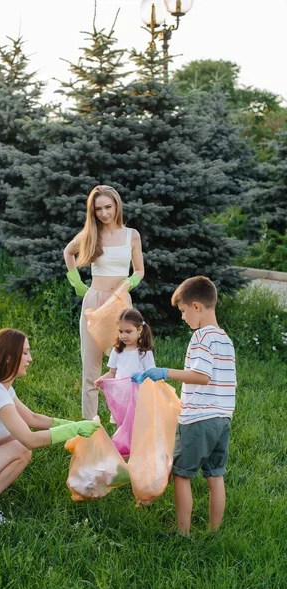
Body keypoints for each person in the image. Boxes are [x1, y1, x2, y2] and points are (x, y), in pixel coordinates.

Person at [0, 328, 100, 524]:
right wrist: (73, 430)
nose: (29, 358)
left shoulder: (3, 389)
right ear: (7, 357)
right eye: (24, 353)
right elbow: (29, 440)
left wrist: (75, 424)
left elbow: (31, 418)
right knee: (22, 448)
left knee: (15, 440)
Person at [131, 276, 236, 537]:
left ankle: (183, 533)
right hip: (223, 419)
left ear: (197, 307)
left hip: (199, 419)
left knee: (182, 475)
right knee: (215, 476)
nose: (182, 318)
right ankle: (214, 532)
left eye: (183, 311)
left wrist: (165, 372)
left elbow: (202, 375)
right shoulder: (225, 339)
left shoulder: (201, 337)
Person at [63, 185, 144, 420]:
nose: (104, 213)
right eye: (98, 209)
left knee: (124, 367)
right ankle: (89, 429)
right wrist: (76, 283)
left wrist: (128, 282)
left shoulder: (132, 235)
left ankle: (124, 425)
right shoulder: (91, 234)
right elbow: (68, 252)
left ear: (116, 205)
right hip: (94, 302)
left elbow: (139, 269)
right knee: (91, 369)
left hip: (121, 304)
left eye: (108, 207)